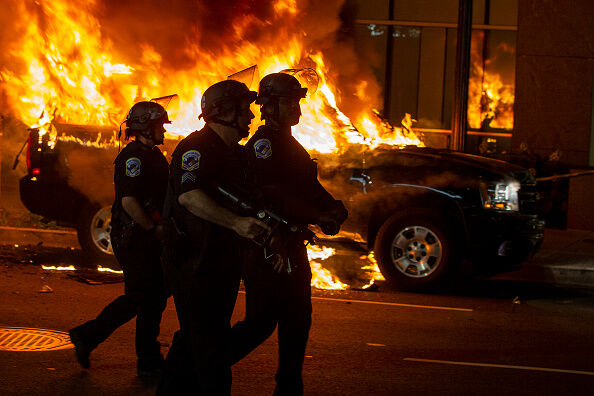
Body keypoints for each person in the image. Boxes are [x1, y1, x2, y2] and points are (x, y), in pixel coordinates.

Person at [228, 72, 348, 396]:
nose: (297, 108)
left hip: (292, 244)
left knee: (298, 318)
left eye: (297, 101)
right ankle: (199, 363)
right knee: (260, 323)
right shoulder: (263, 145)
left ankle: (289, 388)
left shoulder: (289, 143)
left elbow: (306, 185)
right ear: (269, 106)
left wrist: (330, 206)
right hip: (268, 246)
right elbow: (274, 192)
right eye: (289, 102)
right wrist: (317, 214)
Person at [157, 79, 269, 395]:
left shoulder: (235, 153)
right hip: (192, 261)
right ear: (224, 111)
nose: (250, 116)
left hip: (221, 260)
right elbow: (189, 196)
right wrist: (236, 223)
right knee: (208, 345)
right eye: (244, 109)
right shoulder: (195, 148)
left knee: (195, 337)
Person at [69, 101, 171, 378]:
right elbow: (129, 201)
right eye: (160, 125)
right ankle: (87, 335)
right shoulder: (133, 158)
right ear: (147, 128)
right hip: (134, 238)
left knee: (155, 297)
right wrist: (153, 228)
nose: (164, 130)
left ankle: (148, 361)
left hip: (147, 239)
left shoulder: (154, 155)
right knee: (141, 296)